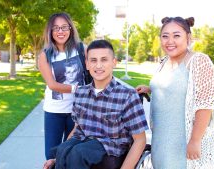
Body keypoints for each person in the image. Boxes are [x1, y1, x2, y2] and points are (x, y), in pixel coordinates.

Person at [43, 40, 148, 169]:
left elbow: (140, 140)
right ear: (86, 64)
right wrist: (59, 158)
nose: (98, 65)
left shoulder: (127, 95)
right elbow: (77, 129)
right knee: (62, 149)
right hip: (82, 150)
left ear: (113, 63)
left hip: (111, 153)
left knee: (78, 152)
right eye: (93, 60)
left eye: (104, 60)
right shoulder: (80, 92)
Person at [136, 17, 214, 168]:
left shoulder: (199, 61)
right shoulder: (164, 62)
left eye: (176, 35)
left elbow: (205, 105)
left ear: (188, 37)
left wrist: (195, 140)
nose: (170, 41)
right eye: (165, 36)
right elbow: (172, 87)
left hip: (183, 144)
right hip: (160, 141)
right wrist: (150, 88)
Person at [38, 12, 86, 160]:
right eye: (56, 28)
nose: (60, 31)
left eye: (64, 27)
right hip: (54, 112)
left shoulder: (81, 49)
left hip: (78, 110)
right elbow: (52, 85)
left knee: (72, 154)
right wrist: (77, 89)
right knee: (52, 155)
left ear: (71, 29)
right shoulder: (44, 55)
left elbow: (96, 70)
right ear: (50, 31)